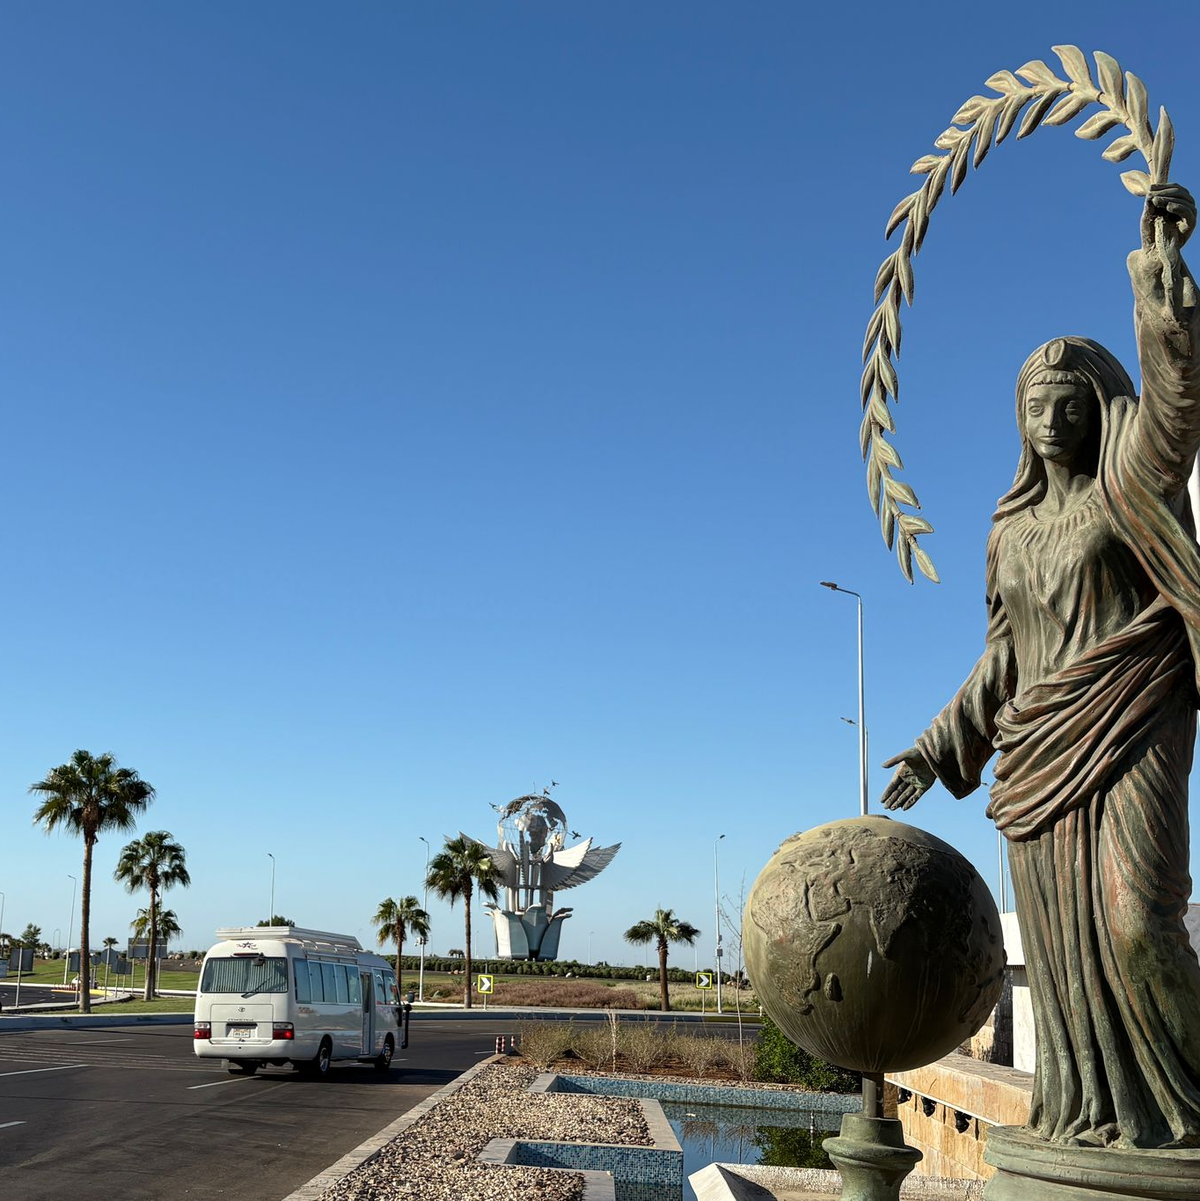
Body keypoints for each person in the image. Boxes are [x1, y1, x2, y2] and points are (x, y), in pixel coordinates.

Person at [882, 181, 1200, 1150]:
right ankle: (1092, 1113)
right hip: (1040, 749)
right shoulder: (1009, 530)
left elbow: (1177, 409)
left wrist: (1157, 278)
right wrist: (936, 748)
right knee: (1064, 954)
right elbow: (1002, 657)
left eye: (1070, 402)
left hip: (1133, 714)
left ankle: (1188, 1108)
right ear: (1017, 417)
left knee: (1138, 923)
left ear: (1100, 408)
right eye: (1035, 404)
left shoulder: (1129, 485)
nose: (1052, 417)